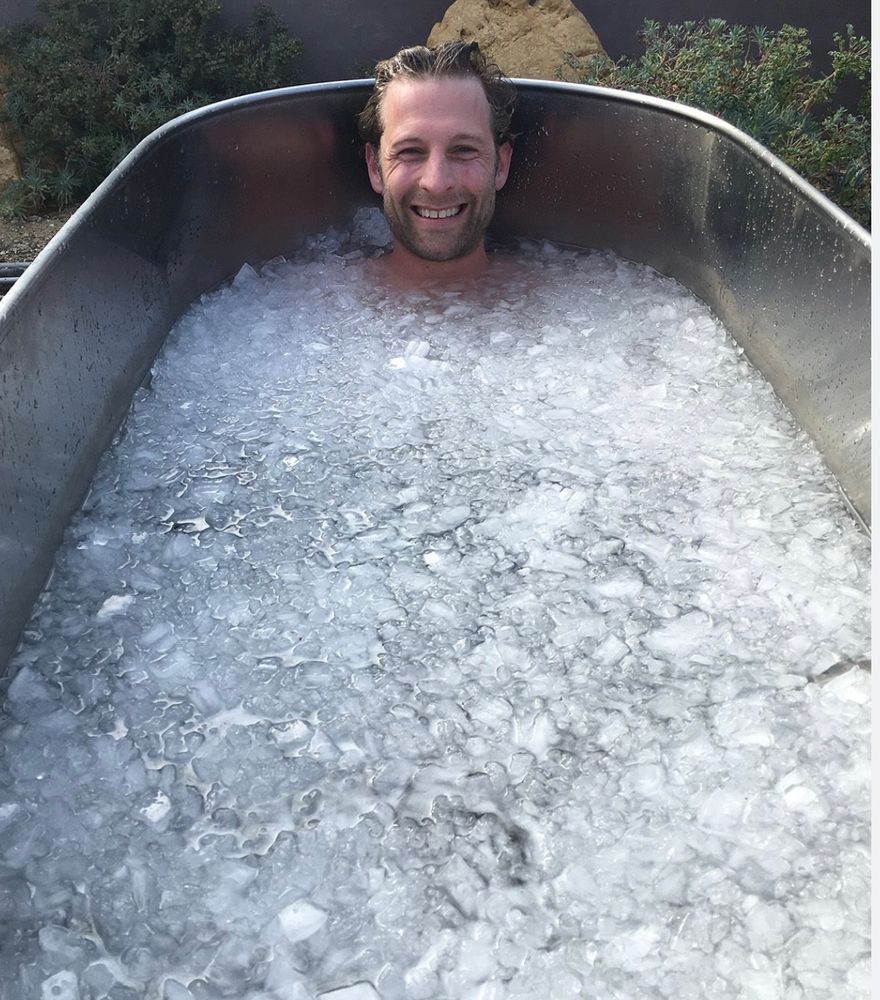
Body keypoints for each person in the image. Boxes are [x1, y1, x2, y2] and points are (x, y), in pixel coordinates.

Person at [357, 42, 516, 287]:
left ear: (501, 165)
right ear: (375, 169)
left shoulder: (558, 300)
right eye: (410, 151)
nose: (437, 183)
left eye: (463, 150)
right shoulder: (311, 301)